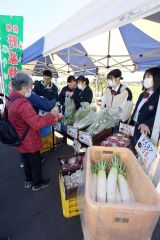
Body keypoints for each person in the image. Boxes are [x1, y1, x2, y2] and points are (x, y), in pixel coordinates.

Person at [7, 72, 62, 191]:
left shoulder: (11, 98)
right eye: (31, 86)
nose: (31, 89)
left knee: (25, 159)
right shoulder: (23, 103)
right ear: (25, 87)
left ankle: (28, 180)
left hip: (19, 136)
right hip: (29, 138)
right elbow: (36, 123)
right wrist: (52, 115)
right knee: (35, 161)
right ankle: (37, 183)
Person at [130, 67, 160, 144]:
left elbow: (158, 115)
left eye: (148, 77)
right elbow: (136, 110)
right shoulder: (142, 94)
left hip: (146, 131)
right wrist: (130, 123)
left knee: (140, 153)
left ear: (156, 78)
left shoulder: (158, 96)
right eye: (145, 77)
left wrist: (147, 124)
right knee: (131, 147)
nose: (145, 79)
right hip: (134, 126)